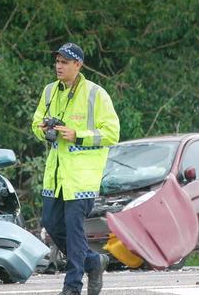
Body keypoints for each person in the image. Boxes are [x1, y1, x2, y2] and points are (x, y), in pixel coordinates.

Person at [31, 43, 120, 295]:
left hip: (82, 178)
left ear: (78, 65)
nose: (59, 66)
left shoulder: (96, 94)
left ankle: (72, 287)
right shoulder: (49, 92)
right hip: (56, 176)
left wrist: (76, 134)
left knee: (73, 228)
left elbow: (112, 133)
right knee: (50, 223)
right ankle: (93, 262)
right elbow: (36, 123)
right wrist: (43, 130)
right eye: (57, 61)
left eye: (65, 62)